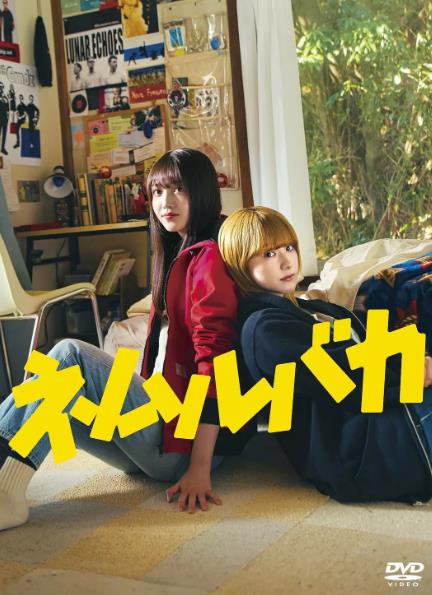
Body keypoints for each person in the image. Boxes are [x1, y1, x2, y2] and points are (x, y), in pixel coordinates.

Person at [0, 148, 253, 531]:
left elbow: (217, 369)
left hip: (179, 447)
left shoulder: (210, 260)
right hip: (160, 426)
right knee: (52, 396)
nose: (165, 202)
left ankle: (6, 492)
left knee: (69, 354)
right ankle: (7, 480)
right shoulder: (177, 249)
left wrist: (199, 467)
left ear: (202, 191)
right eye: (157, 192)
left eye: (179, 189)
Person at [218, 206, 432, 504]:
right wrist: (410, 368)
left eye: (289, 247)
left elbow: (359, 351)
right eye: (268, 254)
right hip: (365, 450)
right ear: (240, 265)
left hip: (382, 425)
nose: (286, 261)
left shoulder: (303, 310)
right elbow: (342, 375)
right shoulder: (263, 330)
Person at [0, 81, 9, 155]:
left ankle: (2, 148)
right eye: (0, 87)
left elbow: (7, 107)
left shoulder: (5, 97)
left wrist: (7, 116)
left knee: (4, 134)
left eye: (2, 87)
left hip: (5, 118)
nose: (1, 88)